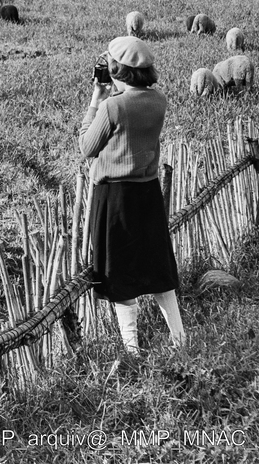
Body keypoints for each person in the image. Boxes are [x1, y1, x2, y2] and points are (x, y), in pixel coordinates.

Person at [79, 35, 185, 356]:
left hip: (115, 197)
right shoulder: (159, 100)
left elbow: (87, 146)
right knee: (157, 266)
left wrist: (96, 99)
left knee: (119, 270)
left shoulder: (113, 106)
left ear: (116, 70)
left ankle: (132, 349)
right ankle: (180, 339)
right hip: (148, 194)